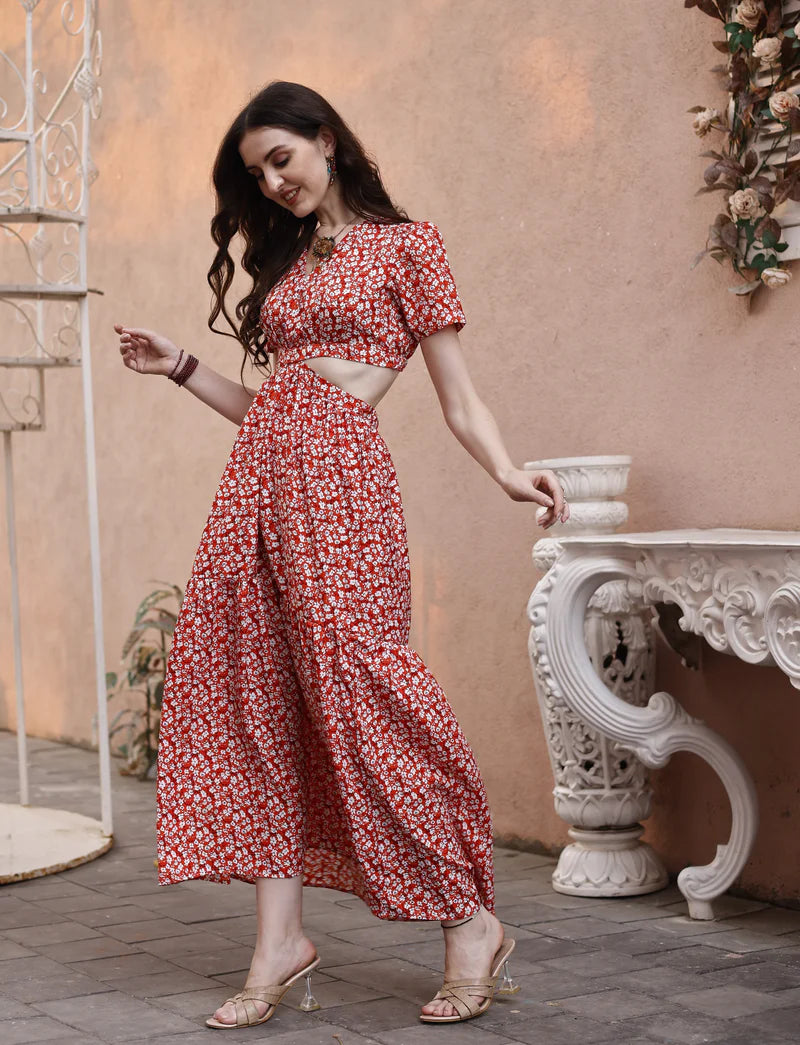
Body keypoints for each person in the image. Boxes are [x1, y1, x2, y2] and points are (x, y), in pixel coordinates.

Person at [116, 80, 568, 1030]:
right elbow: (271, 406)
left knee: (370, 695)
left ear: (326, 140)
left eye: (281, 157)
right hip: (257, 490)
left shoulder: (409, 246)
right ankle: (280, 940)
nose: (272, 183)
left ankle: (470, 921)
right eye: (256, 172)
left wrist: (508, 473)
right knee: (260, 694)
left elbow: (456, 395)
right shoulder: (285, 264)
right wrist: (183, 368)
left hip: (343, 493)